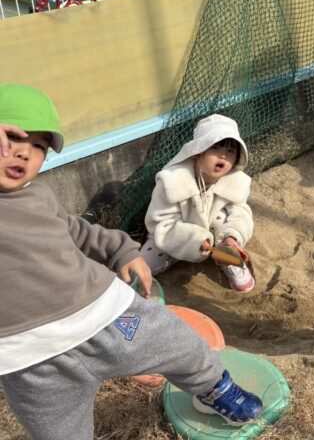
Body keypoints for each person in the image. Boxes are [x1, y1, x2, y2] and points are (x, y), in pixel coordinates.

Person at [0, 85, 263, 437]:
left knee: (176, 341)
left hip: (100, 313)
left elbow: (74, 230)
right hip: (31, 359)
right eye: (13, 138)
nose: (23, 153)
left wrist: (120, 249)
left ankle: (214, 389)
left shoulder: (37, 195)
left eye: (38, 146)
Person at [141, 114, 256, 293]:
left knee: (223, 216)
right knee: (143, 265)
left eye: (231, 151)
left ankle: (226, 257)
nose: (223, 155)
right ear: (198, 151)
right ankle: (173, 256)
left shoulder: (236, 182)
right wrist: (195, 240)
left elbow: (241, 214)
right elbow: (162, 223)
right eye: (215, 147)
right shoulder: (172, 181)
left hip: (214, 238)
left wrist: (232, 237)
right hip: (175, 238)